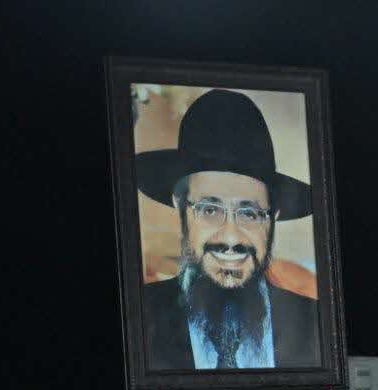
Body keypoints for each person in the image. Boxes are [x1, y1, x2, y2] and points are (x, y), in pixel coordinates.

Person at [136, 89, 320, 370]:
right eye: (210, 209)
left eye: (249, 213)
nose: (231, 237)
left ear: (273, 217)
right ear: (180, 206)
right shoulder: (139, 318)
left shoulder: (315, 326)